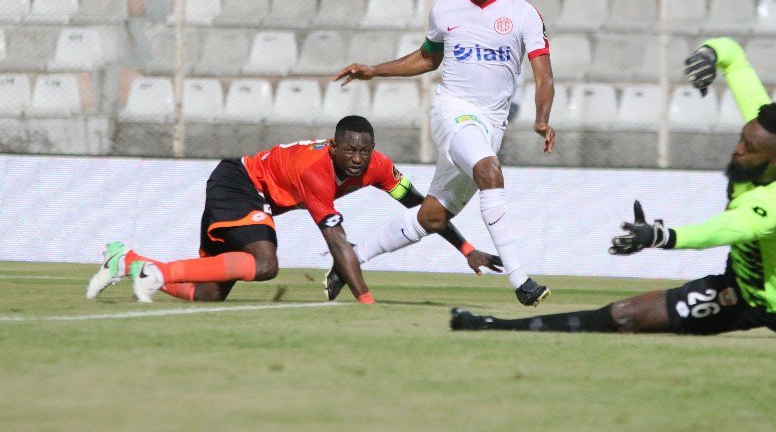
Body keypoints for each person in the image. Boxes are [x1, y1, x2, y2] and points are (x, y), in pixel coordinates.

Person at [450, 38, 776, 342]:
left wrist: (661, 235)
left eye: (748, 148)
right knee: (627, 314)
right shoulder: (772, 135)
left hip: (755, 295)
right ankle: (497, 327)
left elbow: (727, 227)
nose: (737, 151)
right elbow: (737, 59)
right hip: (743, 276)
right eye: (742, 139)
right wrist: (709, 53)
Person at [335, 0, 557, 307]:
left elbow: (543, 74)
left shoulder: (523, 14)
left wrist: (541, 118)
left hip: (491, 123)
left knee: (433, 217)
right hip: (451, 111)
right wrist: (376, 70)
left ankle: (352, 258)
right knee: (490, 171)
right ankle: (521, 280)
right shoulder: (446, 9)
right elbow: (428, 57)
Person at [86, 115, 501, 304]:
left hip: (252, 198)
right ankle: (161, 274)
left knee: (208, 295)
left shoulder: (379, 167)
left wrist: (468, 250)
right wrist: (367, 301)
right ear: (334, 147)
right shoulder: (316, 172)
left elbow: (423, 208)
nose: (358, 159)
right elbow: (337, 241)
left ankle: (129, 261)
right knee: (265, 263)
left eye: (365, 152)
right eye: (350, 150)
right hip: (238, 184)